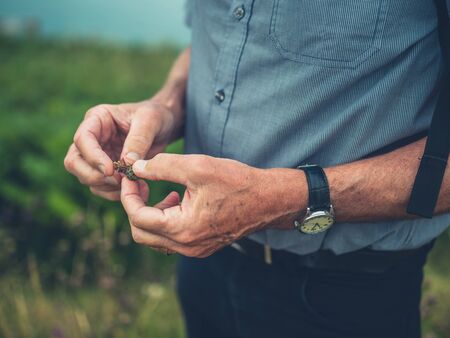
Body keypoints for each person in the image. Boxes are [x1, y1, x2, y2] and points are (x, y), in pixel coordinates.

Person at [64, 1, 450, 337]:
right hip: (204, 270)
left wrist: (281, 198)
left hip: (347, 294)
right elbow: (223, 38)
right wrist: (164, 108)